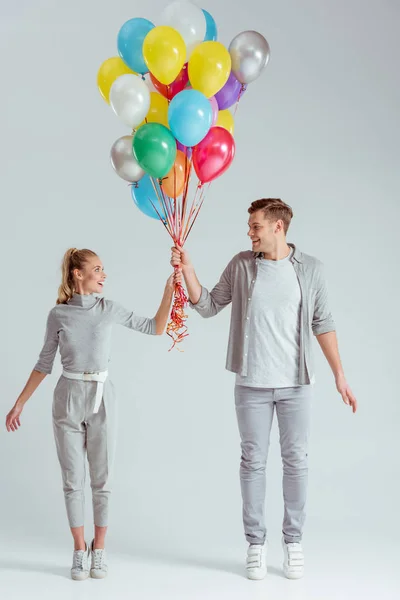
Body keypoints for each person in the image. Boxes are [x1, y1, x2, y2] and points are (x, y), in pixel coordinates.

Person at [170, 198, 357, 581]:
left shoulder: (311, 270)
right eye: (250, 226)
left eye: (255, 226)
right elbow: (207, 306)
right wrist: (188, 271)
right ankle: (255, 544)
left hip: (296, 384)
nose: (250, 232)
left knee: (297, 462)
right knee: (252, 462)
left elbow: (323, 323)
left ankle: (293, 542)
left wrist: (340, 374)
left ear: (278, 227)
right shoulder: (241, 265)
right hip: (251, 383)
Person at [5, 248, 179, 581]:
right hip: (67, 397)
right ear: (77, 274)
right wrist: (20, 402)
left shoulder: (108, 309)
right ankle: (78, 548)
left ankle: (99, 550)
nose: (104, 275)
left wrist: (168, 291)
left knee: (102, 480)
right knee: (73, 481)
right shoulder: (58, 314)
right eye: (97, 269)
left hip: (102, 398)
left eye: (103, 269)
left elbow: (156, 327)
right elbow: (44, 363)